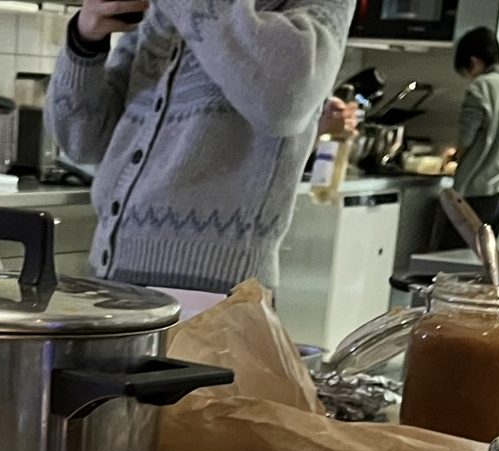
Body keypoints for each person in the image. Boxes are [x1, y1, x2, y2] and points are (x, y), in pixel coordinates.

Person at [47, 0, 354, 295]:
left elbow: (284, 102)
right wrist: (85, 41)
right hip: (111, 279)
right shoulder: (163, 12)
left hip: (219, 296)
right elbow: (82, 141)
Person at [434, 26, 499, 248]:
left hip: (473, 192)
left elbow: (467, 136)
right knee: (480, 261)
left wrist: (457, 155)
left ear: (473, 61)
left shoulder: (481, 86)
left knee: (449, 261)